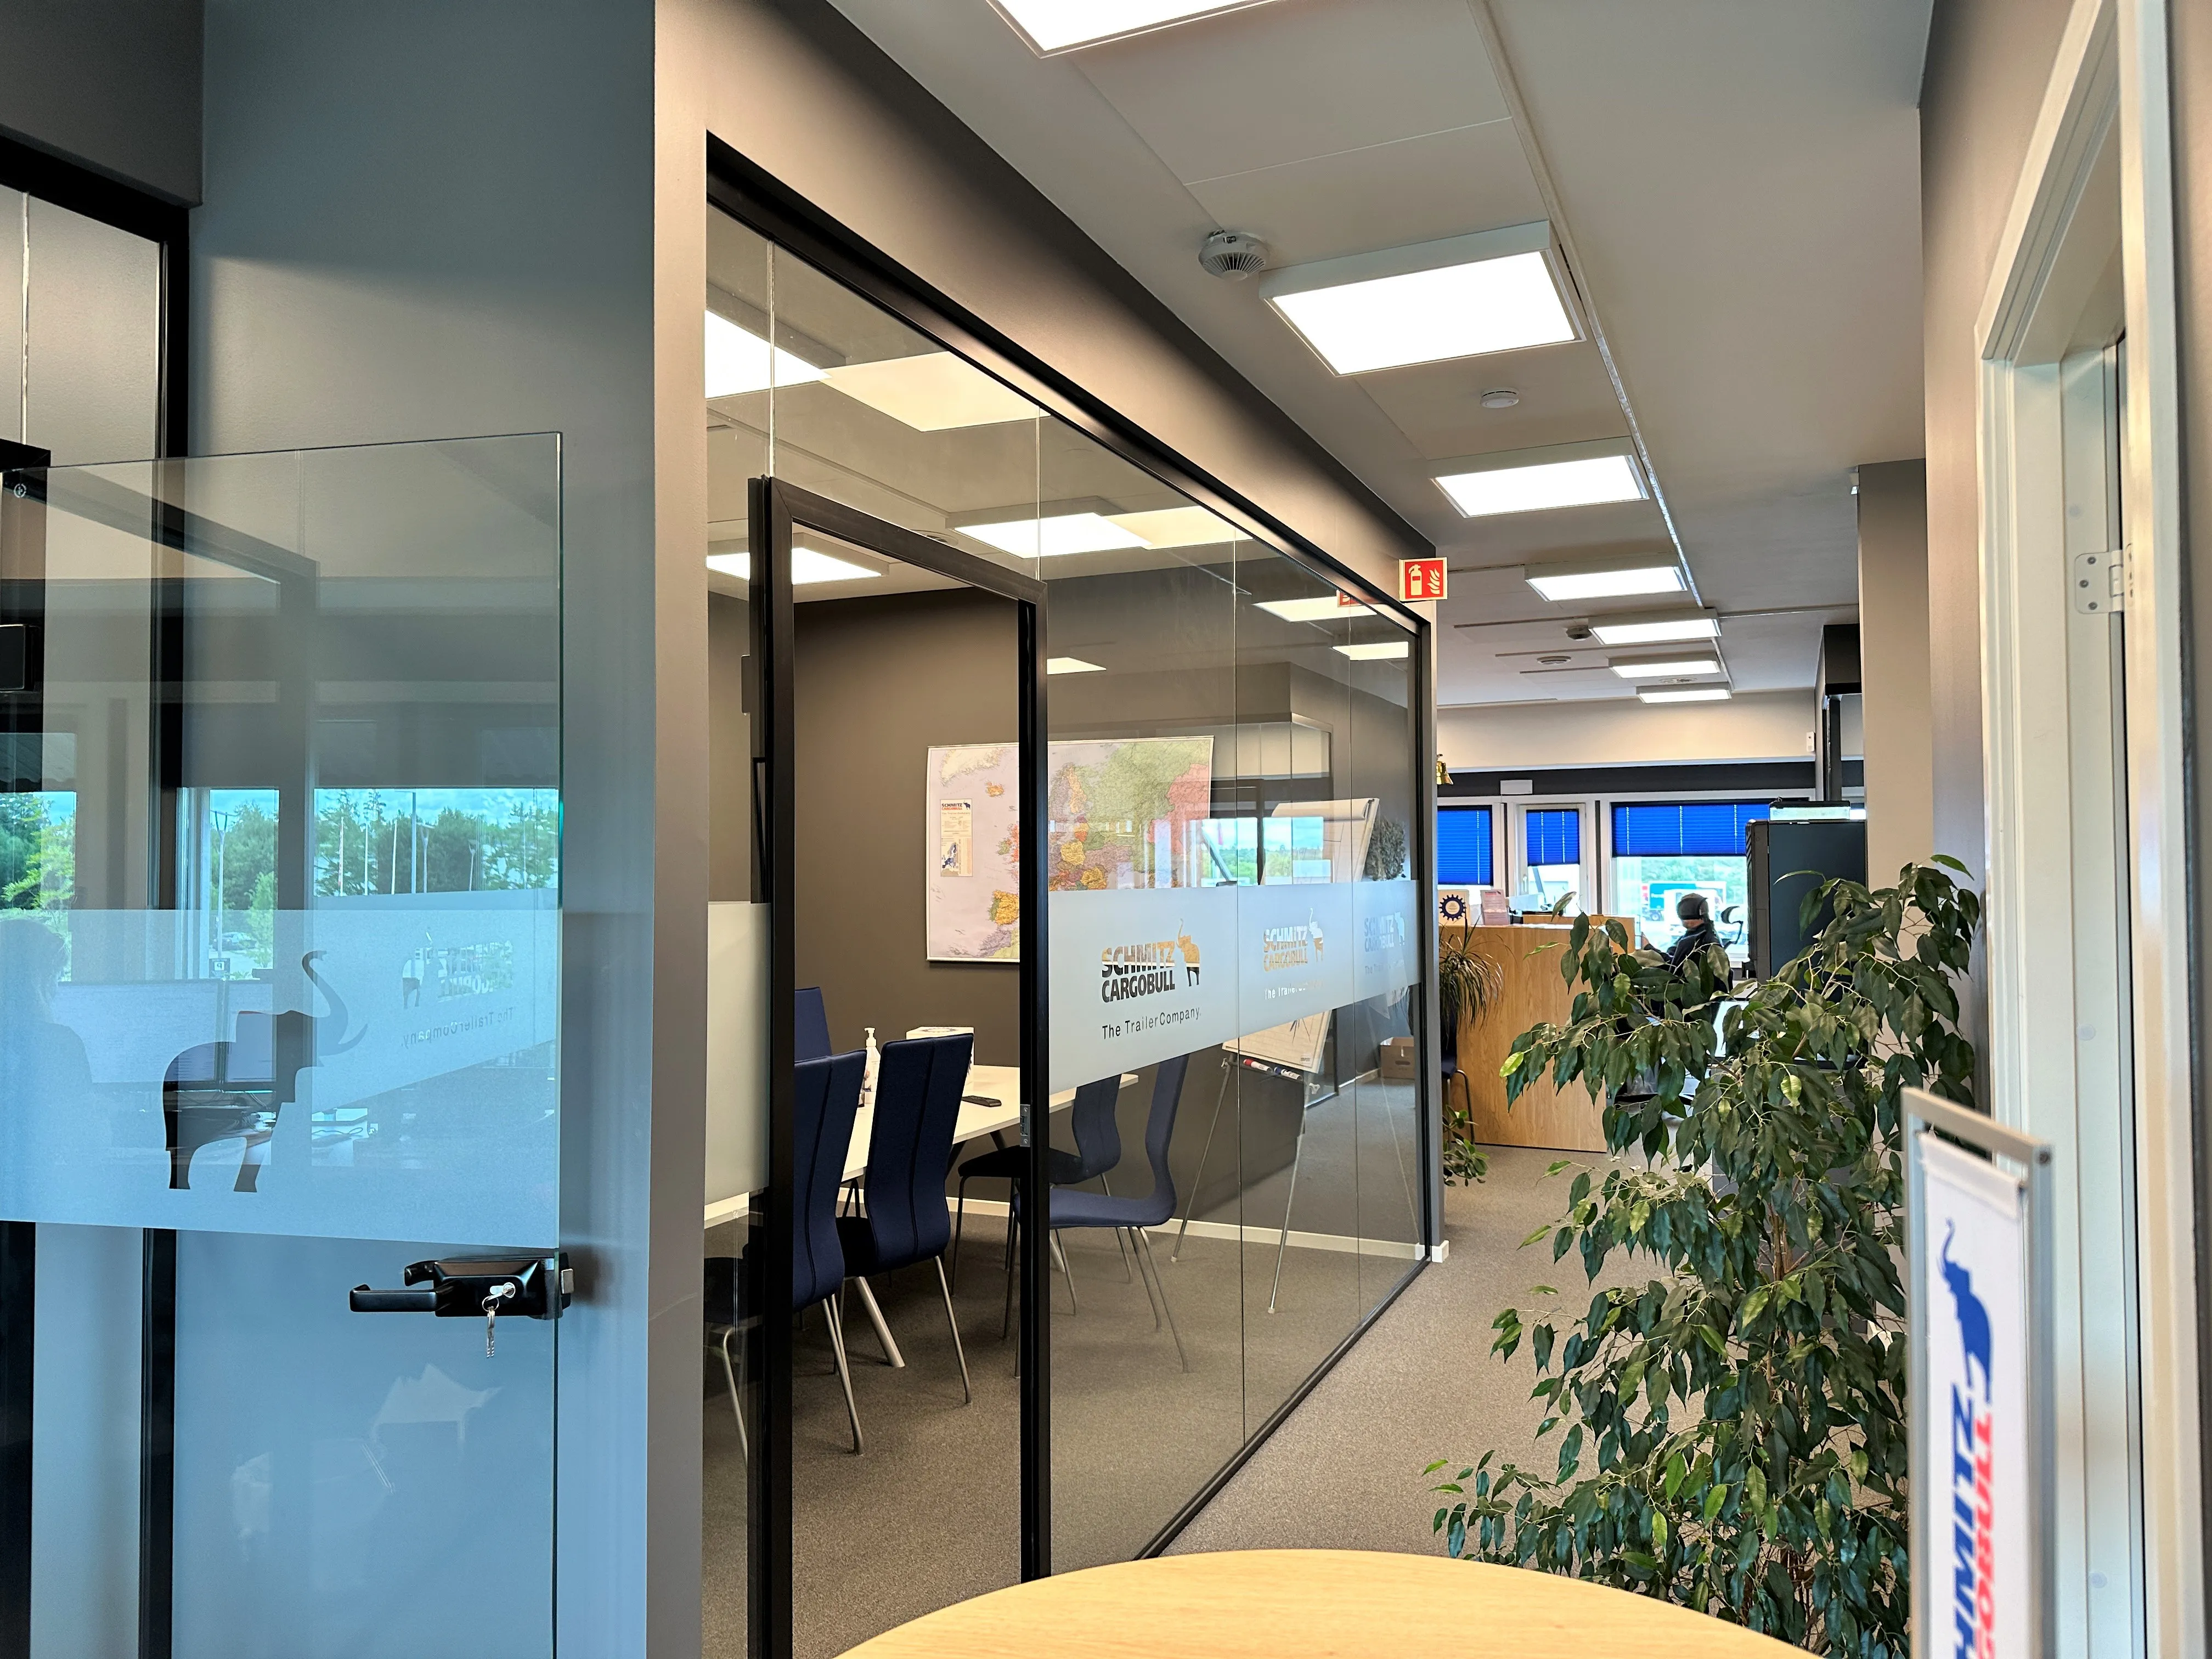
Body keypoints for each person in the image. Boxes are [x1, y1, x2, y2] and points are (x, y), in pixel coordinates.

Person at [1663, 890, 1725, 975]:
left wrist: (1648, 948)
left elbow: (1672, 969)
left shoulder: (1697, 941)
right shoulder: (1708, 934)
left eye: (1685, 909)